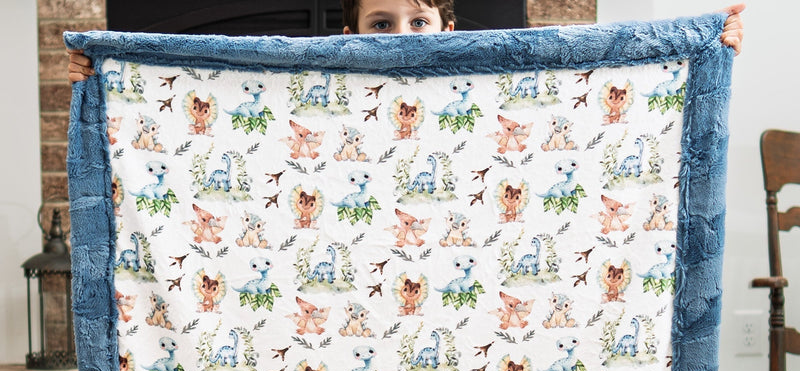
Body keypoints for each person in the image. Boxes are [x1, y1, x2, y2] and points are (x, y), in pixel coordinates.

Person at [66, 1, 744, 82]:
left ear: (447, 29)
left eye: (416, 23)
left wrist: (705, 48)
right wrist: (111, 79)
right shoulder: (318, 84)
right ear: (349, 35)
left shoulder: (487, 85)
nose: (402, 38)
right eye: (381, 25)